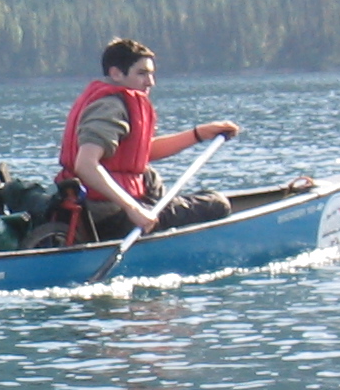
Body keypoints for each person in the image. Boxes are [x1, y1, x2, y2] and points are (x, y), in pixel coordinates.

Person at [58, 37, 241, 241]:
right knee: (217, 203)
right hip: (108, 216)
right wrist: (133, 208)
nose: (150, 82)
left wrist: (198, 134)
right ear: (116, 73)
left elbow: (141, 153)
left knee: (148, 175)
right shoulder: (110, 107)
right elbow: (85, 164)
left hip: (106, 208)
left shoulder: (112, 101)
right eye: (142, 73)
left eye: (151, 74)